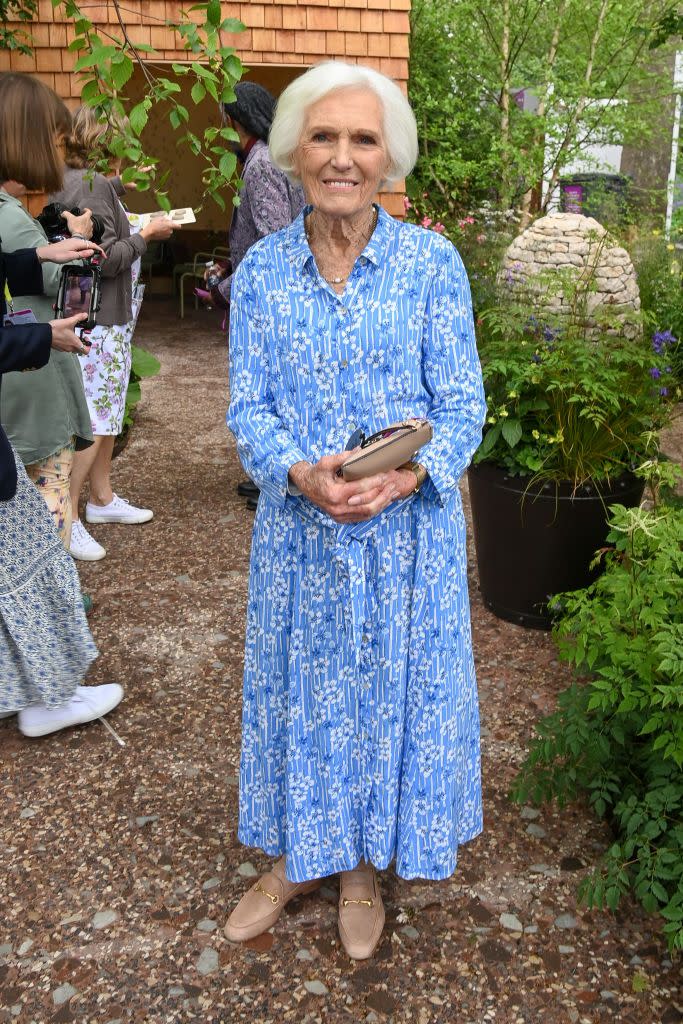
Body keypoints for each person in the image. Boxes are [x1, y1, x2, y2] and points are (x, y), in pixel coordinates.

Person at [224, 61, 486, 959]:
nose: (342, 157)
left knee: (386, 696)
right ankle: (299, 857)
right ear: (296, 151)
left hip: (404, 538)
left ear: (389, 158)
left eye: (363, 139)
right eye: (324, 137)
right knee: (305, 697)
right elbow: (246, 407)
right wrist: (299, 472)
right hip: (301, 539)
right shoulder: (261, 271)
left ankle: (363, 867)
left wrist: (406, 478)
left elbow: (462, 405)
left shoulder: (431, 264)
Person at [0, 76, 122, 735]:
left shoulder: (14, 216)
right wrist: (40, 332)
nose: (60, 149)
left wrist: (42, 250)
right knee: (35, 559)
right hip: (25, 407)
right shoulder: (10, 212)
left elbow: (16, 268)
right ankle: (48, 697)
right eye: (52, 137)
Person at [51, 106, 175, 562]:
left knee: (105, 414)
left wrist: (123, 188)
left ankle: (102, 500)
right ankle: (74, 517)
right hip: (102, 320)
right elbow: (101, 258)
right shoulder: (95, 184)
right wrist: (148, 234)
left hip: (93, 318)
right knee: (97, 422)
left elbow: (97, 222)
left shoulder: (77, 178)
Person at [205, 81, 305, 510]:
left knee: (268, 387)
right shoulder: (272, 158)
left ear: (236, 122)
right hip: (271, 288)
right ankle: (276, 475)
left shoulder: (262, 163)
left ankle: (281, 477)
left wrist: (223, 290)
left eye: (224, 122)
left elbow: (275, 240)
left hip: (271, 298)